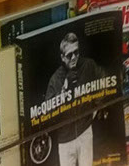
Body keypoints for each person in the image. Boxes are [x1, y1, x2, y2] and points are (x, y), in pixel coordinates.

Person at [45, 32, 106, 166]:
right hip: (65, 140)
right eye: (69, 55)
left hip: (85, 132)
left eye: (76, 52)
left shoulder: (88, 65)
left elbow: (104, 80)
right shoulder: (55, 79)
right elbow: (47, 113)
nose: (74, 57)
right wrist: (64, 90)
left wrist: (96, 107)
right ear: (62, 57)